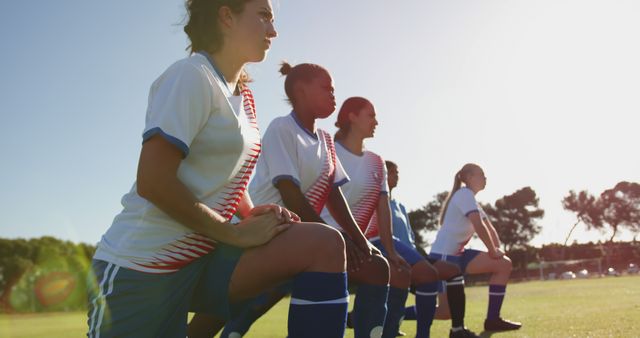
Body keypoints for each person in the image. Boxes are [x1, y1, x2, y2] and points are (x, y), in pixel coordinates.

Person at [86, 1, 349, 337]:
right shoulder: (191, 75)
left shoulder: (245, 96)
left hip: (205, 256)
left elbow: (222, 177)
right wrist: (233, 233)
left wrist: (251, 214)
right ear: (227, 15)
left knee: (323, 243)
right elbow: (153, 180)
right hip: (142, 265)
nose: (273, 30)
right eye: (264, 16)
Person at [210, 63, 391, 338]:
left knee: (378, 268)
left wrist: (360, 240)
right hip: (265, 231)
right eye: (326, 88)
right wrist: (333, 237)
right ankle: (234, 325)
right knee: (320, 253)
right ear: (301, 91)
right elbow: (290, 194)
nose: (333, 95)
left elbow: (334, 195)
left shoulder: (326, 140)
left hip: (301, 233)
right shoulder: (282, 128)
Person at [323, 98, 460, 338]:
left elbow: (382, 208)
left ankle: (389, 331)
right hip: (330, 238)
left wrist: (391, 250)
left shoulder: (376, 161)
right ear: (352, 117)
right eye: (371, 115)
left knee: (402, 272)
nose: (376, 121)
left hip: (368, 242)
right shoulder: (329, 152)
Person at [429, 163, 522, 337]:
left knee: (503, 265)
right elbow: (478, 225)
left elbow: (489, 227)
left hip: (460, 255)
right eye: (482, 175)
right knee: (445, 312)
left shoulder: (471, 199)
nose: (485, 178)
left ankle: (493, 320)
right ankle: (396, 314)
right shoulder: (464, 194)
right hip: (443, 258)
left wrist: (497, 251)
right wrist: (492, 251)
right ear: (470, 178)